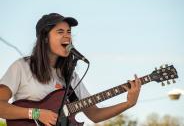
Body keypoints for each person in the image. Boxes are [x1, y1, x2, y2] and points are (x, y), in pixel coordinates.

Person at [0, 13, 141, 126]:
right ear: (44, 38)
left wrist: (128, 103)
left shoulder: (70, 76)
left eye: (69, 31)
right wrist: (36, 114)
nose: (67, 35)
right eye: (60, 31)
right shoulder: (22, 67)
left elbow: (95, 115)